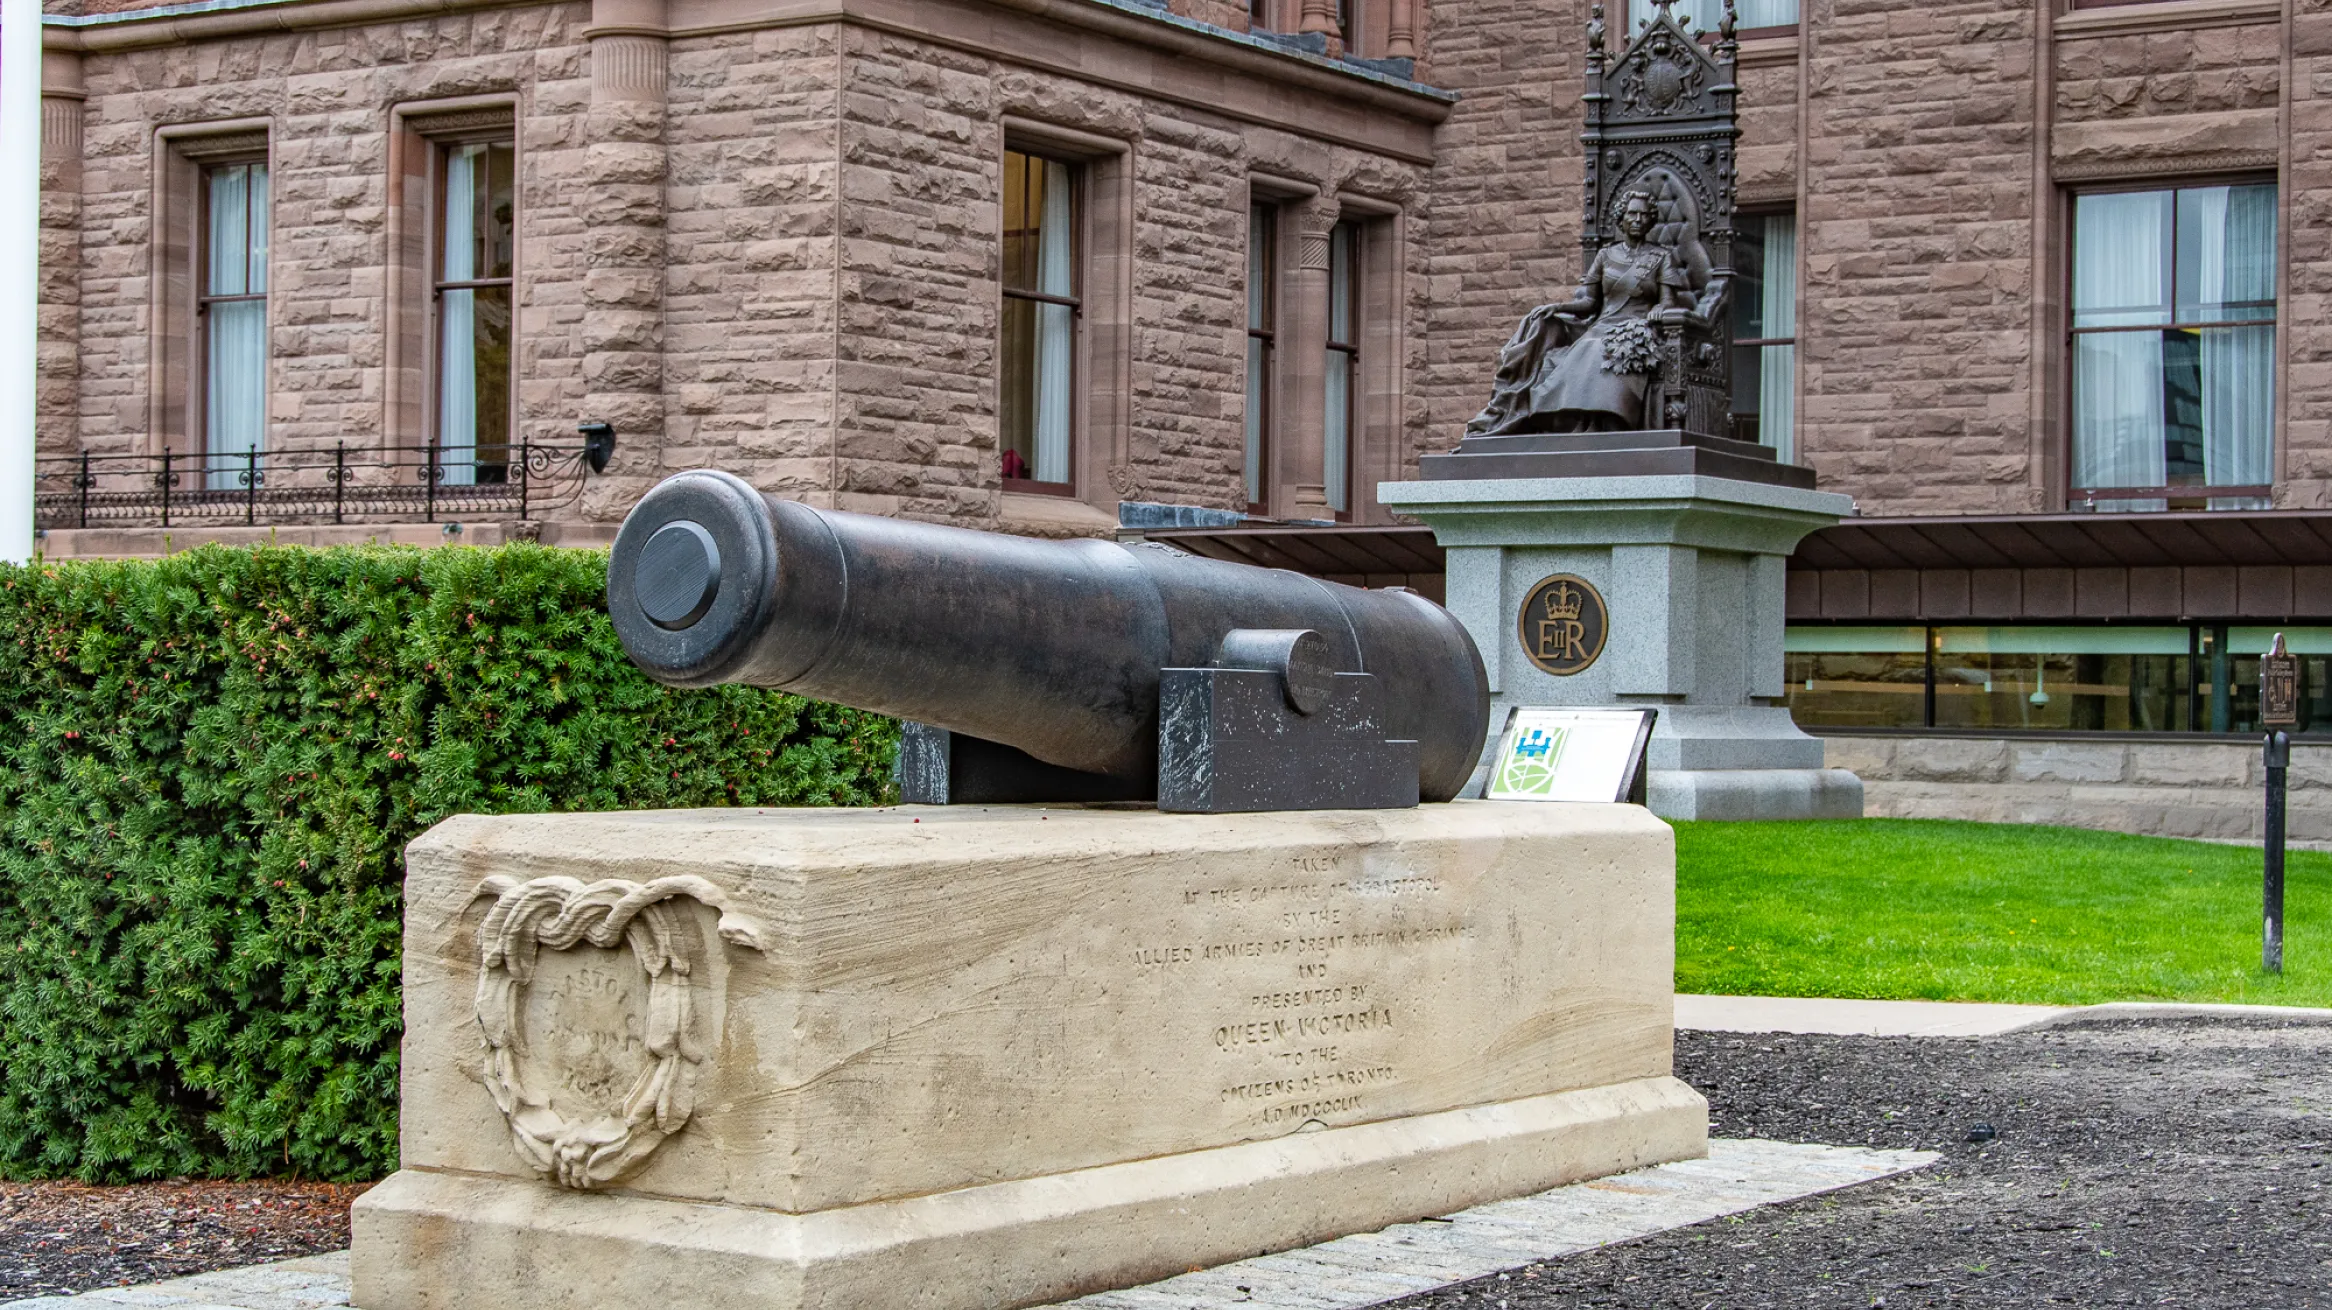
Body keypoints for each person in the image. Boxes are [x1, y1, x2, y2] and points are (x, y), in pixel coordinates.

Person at [1467, 189, 1697, 436]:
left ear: (1651, 219)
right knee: (1586, 344)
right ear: (1622, 218)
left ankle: (1603, 425)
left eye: (1644, 215)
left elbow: (1668, 301)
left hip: (1635, 327)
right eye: (1632, 214)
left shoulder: (1660, 257)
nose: (1638, 220)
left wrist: (1659, 310)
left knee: (1597, 348)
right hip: (1601, 324)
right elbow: (1589, 302)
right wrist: (1557, 307)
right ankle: (1574, 425)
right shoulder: (1606, 255)